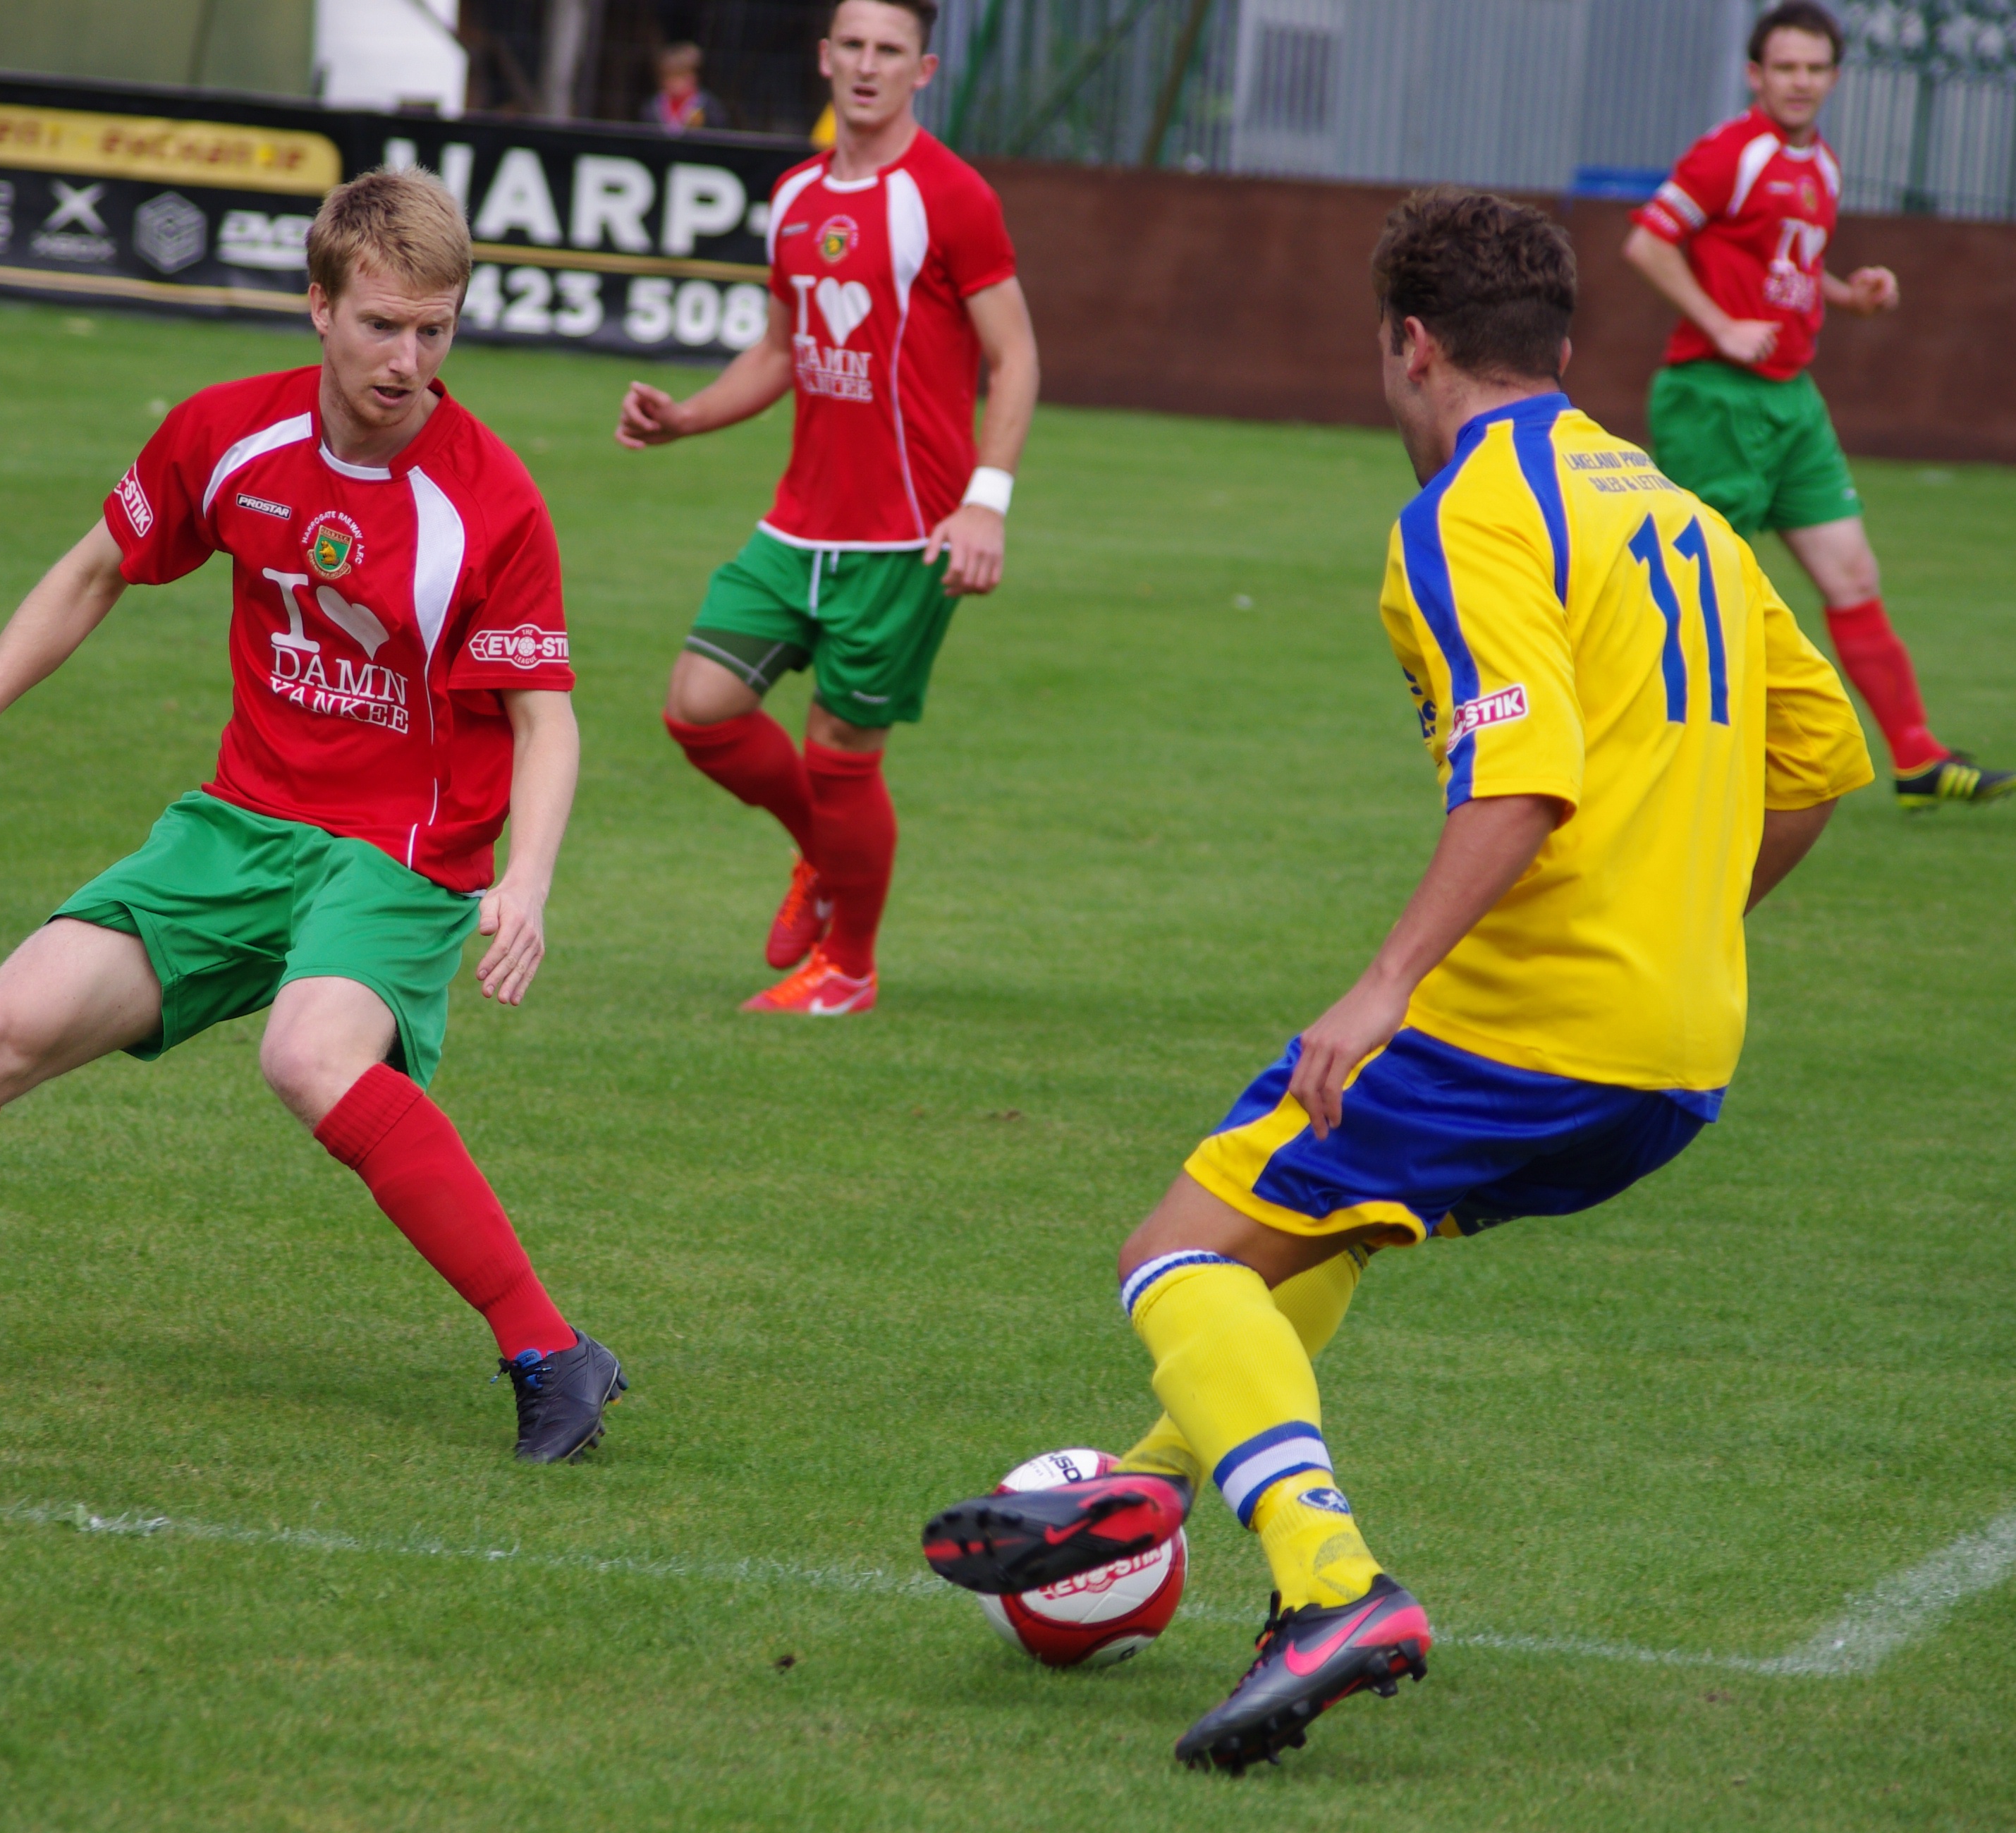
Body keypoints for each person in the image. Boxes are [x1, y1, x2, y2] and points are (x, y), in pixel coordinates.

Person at [922, 190, 1871, 1769]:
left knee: (1173, 1257)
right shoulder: (1682, 512)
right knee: (1332, 1197)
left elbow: (1520, 778)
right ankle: (1154, 1483)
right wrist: (1680, 924)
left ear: (1409, 346)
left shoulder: (1467, 514)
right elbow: (1817, 760)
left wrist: (1380, 985)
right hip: (1681, 1048)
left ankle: (1331, 1587)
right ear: (1561, 349)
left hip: (1534, 1019)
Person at [0, 169, 628, 1464]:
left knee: (310, 1056)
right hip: (238, 827)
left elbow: (546, 714)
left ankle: (549, 1349)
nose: (409, 360)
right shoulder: (225, 437)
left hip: (400, 853)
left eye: (436, 328)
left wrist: (524, 878)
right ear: (318, 306)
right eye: (381, 324)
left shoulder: (488, 499)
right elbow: (94, 569)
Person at [615, 0, 1039, 1014]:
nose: (865, 65)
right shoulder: (796, 195)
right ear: (822, 56)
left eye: (887, 50)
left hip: (904, 535)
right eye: (849, 45)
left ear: (920, 69)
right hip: (795, 523)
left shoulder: (952, 197)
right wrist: (686, 417)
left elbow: (1014, 354)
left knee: (841, 754)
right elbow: (778, 349)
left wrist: (984, 505)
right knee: (697, 706)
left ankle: (846, 967)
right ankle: (823, 854)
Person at [1623, 0, 2008, 810]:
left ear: (1833, 77)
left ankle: (1916, 759)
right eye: (1784, 67)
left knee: (1851, 572)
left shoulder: (1821, 165)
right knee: (1705, 590)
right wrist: (1722, 324)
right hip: (1714, 398)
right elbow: (1647, 244)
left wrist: (1850, 296)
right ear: (1754, 74)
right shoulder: (1728, 154)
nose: (1800, 82)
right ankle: (1670, 758)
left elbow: (1790, 267)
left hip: (1793, 401)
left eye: (1814, 69)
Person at [641, 41, 729, 134]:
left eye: (681, 76)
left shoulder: (710, 108)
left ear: (694, 77)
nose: (675, 83)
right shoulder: (652, 108)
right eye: (670, 77)